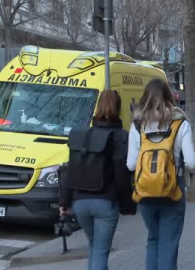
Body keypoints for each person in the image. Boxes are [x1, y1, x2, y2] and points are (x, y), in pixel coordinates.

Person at [59, 90, 135, 270]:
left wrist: (64, 202)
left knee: (94, 246)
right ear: (118, 108)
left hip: (80, 203)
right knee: (101, 251)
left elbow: (70, 170)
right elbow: (121, 175)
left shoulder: (82, 135)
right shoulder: (121, 136)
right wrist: (128, 205)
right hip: (105, 202)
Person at [127, 79, 195, 270]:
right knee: (169, 243)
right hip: (172, 191)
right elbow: (191, 162)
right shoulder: (179, 123)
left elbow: (131, 164)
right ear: (169, 97)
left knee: (153, 239)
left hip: (144, 193)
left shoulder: (137, 125)